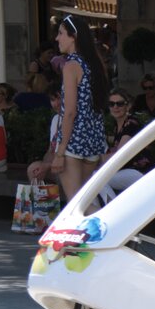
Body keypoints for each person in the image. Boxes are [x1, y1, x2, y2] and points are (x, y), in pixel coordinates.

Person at [51, 15, 109, 206]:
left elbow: (69, 112)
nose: (57, 38)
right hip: (92, 141)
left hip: (73, 141)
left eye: (61, 33)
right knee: (83, 202)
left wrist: (60, 152)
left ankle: (110, 225)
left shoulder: (71, 66)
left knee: (76, 206)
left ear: (73, 36)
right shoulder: (95, 64)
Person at [96, 87, 149, 206]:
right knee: (92, 178)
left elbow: (119, 156)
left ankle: (112, 209)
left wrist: (97, 160)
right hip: (127, 171)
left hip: (139, 172)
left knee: (96, 178)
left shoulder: (131, 123)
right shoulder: (118, 127)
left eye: (119, 104)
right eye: (111, 104)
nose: (115, 107)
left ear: (128, 106)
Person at [27, 86, 63, 183]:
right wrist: (45, 165)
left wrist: (47, 166)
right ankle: (39, 193)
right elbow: (51, 149)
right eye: (53, 100)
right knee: (34, 169)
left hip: (70, 164)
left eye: (59, 98)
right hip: (54, 163)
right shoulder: (56, 119)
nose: (56, 104)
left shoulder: (76, 120)